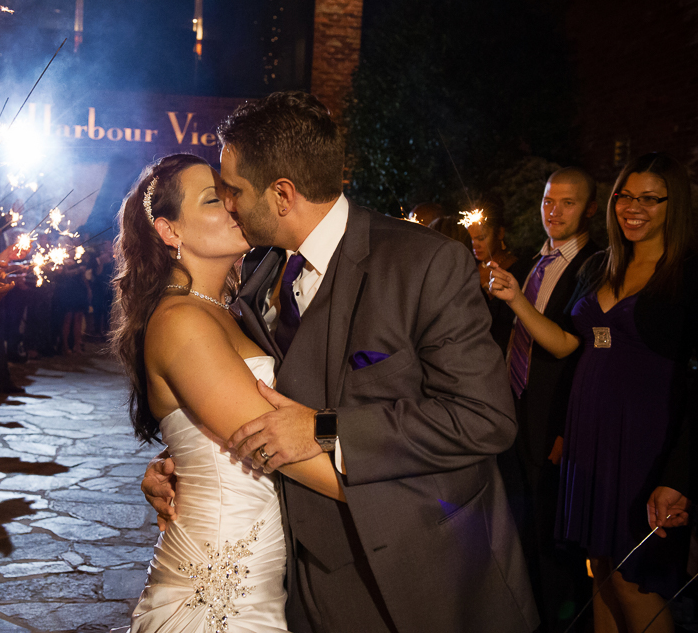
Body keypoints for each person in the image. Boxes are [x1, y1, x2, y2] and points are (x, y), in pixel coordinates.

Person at [143, 92, 538, 633]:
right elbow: (230, 398)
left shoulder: (423, 263)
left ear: (282, 193)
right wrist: (185, 462)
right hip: (307, 587)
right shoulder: (258, 280)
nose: (229, 203)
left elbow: (483, 418)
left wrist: (326, 428)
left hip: (426, 576)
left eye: (231, 190)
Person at [112, 154, 345, 632]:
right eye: (214, 199)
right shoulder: (181, 321)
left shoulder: (231, 310)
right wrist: (406, 483)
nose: (234, 206)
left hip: (263, 567)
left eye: (231, 193)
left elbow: (209, 428)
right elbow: (271, 441)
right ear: (169, 231)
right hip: (222, 582)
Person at [489, 152, 696, 633]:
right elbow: (567, 345)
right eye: (626, 195)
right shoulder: (602, 264)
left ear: (674, 204)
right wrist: (516, 298)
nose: (633, 207)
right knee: (599, 571)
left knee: (634, 579)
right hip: (589, 441)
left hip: (644, 445)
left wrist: (681, 474)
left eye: (650, 198)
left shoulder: (686, 274)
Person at [497, 167, 600, 632]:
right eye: (547, 202)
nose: (554, 212)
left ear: (590, 209)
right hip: (511, 416)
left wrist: (565, 429)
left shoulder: (594, 265)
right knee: (517, 533)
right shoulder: (529, 264)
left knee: (553, 545)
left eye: (567, 203)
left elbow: (570, 347)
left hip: (552, 421)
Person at [466, 197, 528, 352]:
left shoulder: (518, 270)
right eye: (471, 239)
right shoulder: (469, 269)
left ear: (500, 233)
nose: (475, 245)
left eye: (481, 238)